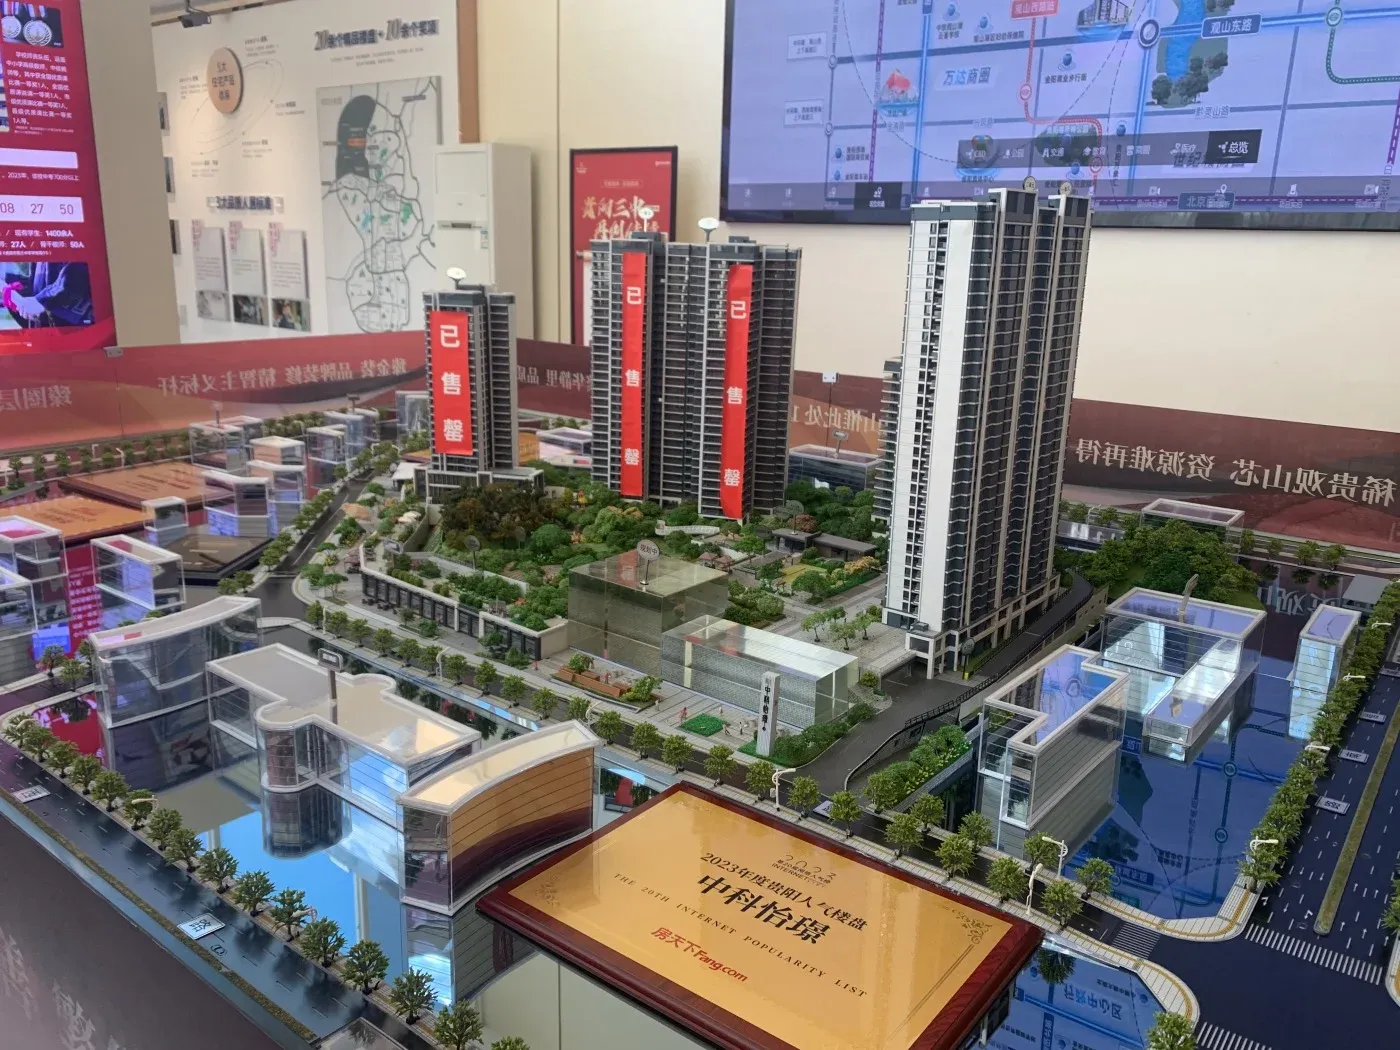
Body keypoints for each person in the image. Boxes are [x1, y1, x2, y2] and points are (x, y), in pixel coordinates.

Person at [5, 262, 92, 327]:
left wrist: (42, 300)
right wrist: (7, 284)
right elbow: (39, 285)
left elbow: (79, 274)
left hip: (74, 333)